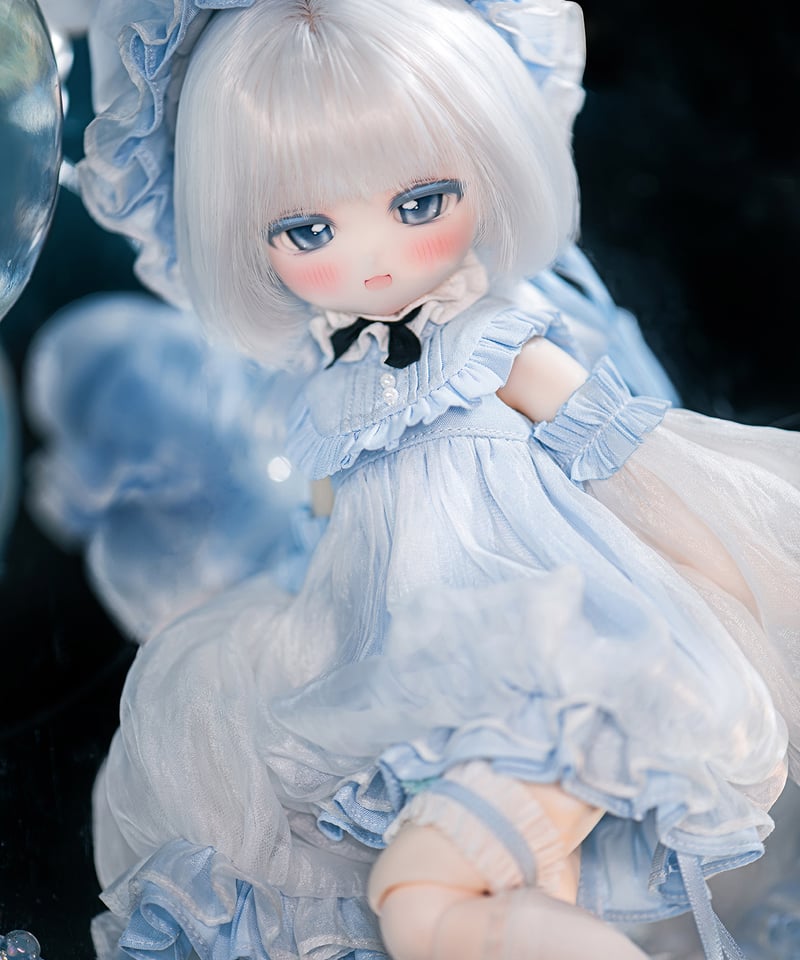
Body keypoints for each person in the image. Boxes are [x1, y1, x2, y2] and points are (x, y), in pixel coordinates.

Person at [26, 1, 800, 958]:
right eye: (308, 228)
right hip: (407, 693)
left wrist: (736, 596)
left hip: (543, 668)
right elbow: (340, 554)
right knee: (499, 898)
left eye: (420, 204)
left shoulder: (493, 345)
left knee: (417, 895)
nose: (373, 257)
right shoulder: (334, 396)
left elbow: (631, 459)